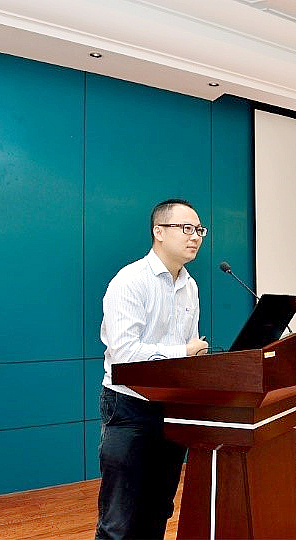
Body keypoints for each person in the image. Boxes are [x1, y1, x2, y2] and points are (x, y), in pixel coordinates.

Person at [95, 198, 209, 540]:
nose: (195, 236)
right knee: (118, 519)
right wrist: (183, 352)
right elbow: (125, 355)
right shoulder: (130, 281)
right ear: (159, 231)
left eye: (199, 230)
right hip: (129, 405)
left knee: (158, 508)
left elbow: (190, 351)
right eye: (186, 228)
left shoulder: (190, 286)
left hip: (172, 406)